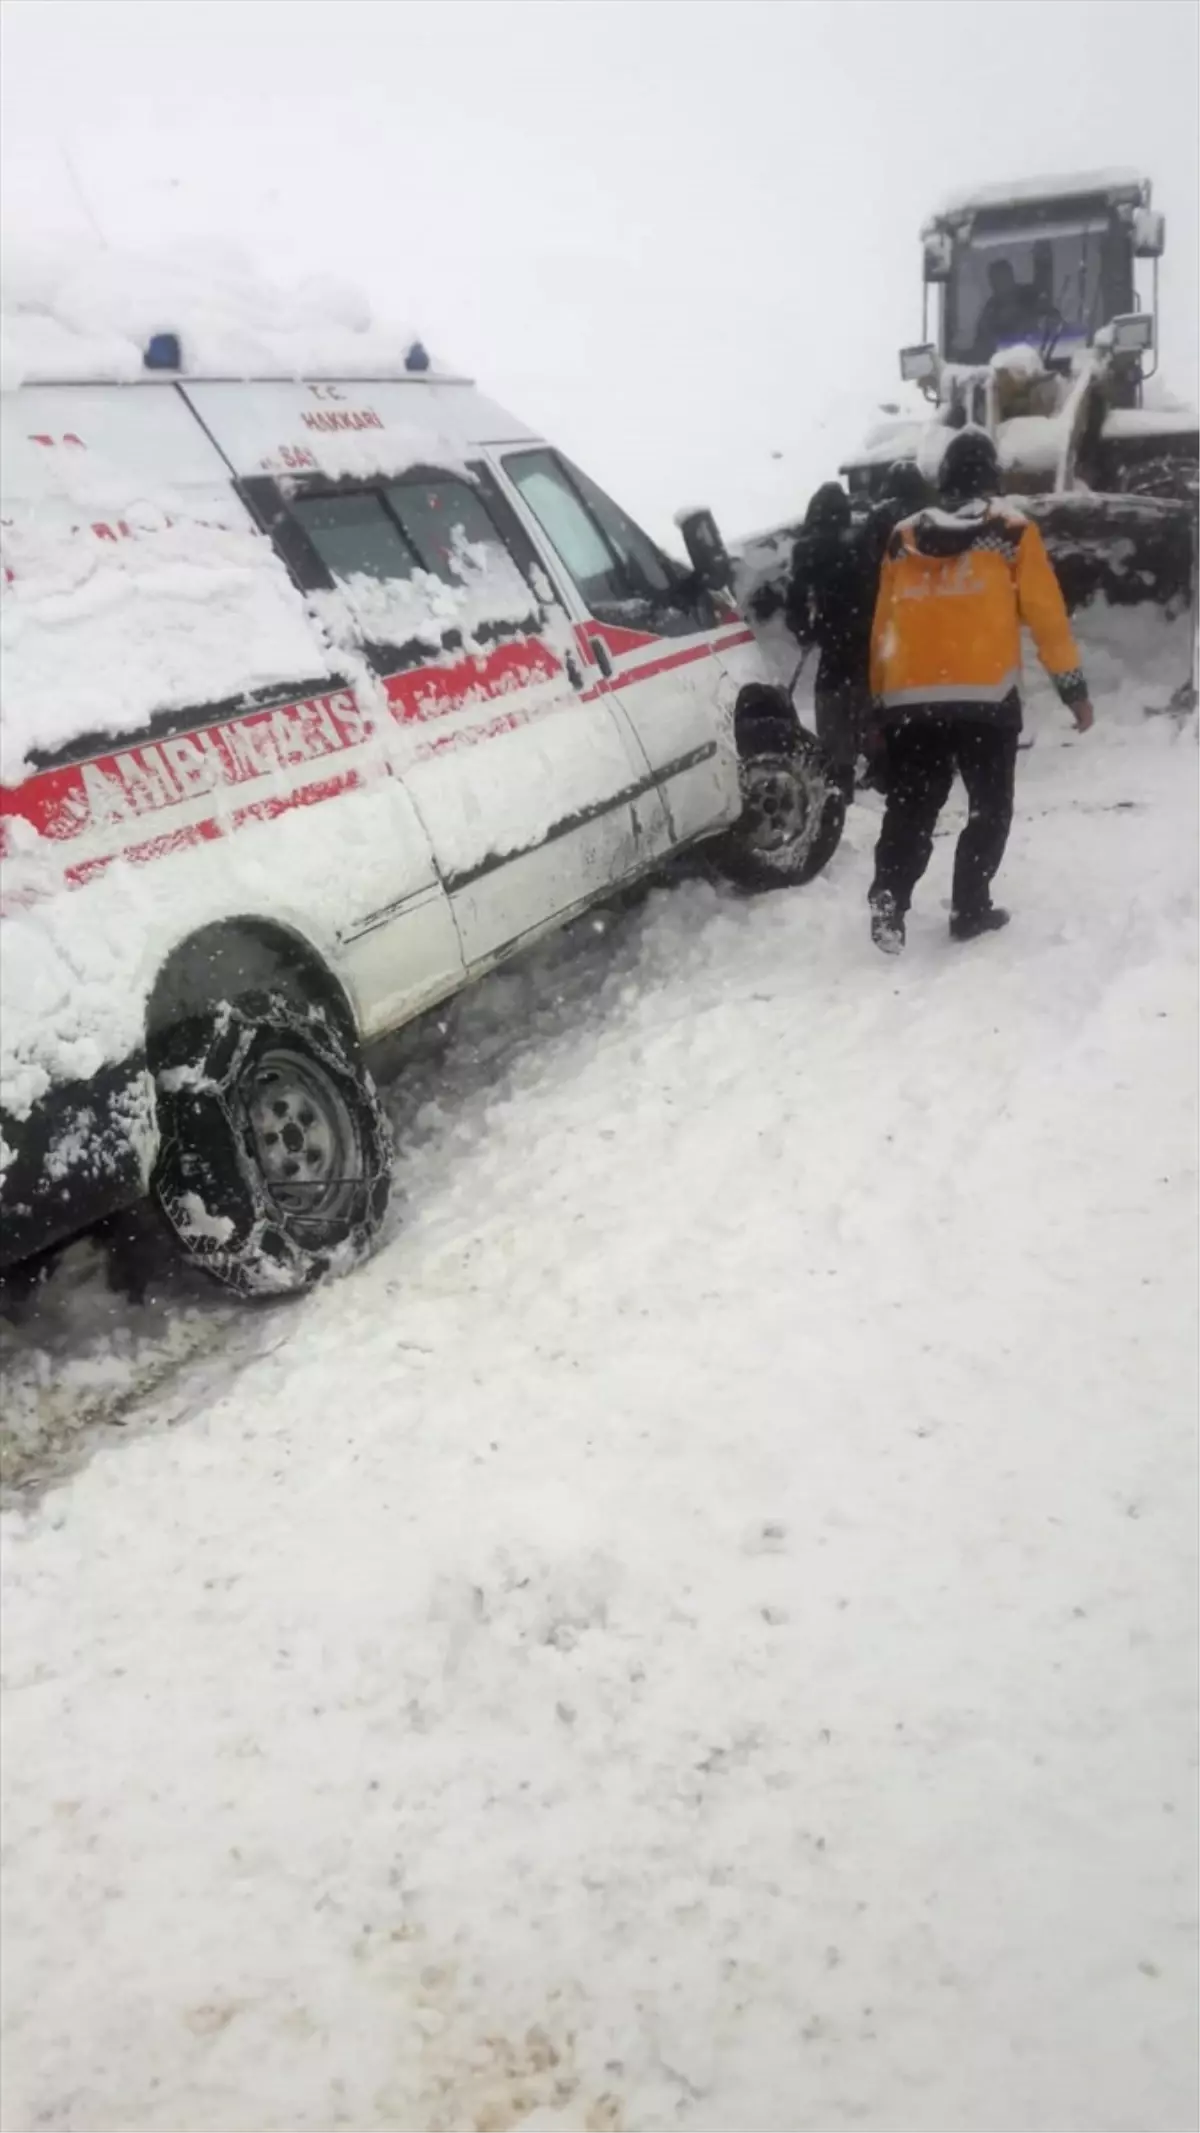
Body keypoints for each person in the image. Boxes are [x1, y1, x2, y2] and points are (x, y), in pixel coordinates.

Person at [866, 427, 1094, 955]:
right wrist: (1071, 687)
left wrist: (878, 700)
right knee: (989, 808)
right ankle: (970, 907)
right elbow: (1046, 616)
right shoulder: (1012, 531)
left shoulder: (902, 537)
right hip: (985, 700)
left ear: (943, 479)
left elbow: (882, 625)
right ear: (991, 479)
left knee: (912, 808)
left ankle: (889, 896)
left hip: (909, 701)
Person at [785, 481, 876, 803]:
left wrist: (803, 630)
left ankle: (840, 777)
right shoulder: (864, 543)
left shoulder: (809, 550)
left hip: (833, 640)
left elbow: (796, 598)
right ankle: (881, 764)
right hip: (869, 638)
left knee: (832, 706)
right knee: (867, 703)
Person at [970, 258, 1042, 363]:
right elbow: (981, 349)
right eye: (997, 280)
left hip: (1040, 357)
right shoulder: (989, 314)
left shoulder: (1031, 296)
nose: (1002, 283)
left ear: (1012, 277)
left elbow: (1053, 322)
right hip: (1005, 368)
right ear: (992, 284)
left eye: (1004, 277)